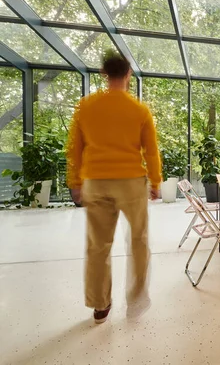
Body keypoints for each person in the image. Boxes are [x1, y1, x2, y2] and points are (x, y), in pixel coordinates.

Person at [66, 50, 161, 324]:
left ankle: (100, 305)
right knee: (139, 241)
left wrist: (75, 181)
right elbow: (151, 152)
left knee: (97, 246)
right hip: (131, 182)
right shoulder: (139, 110)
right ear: (128, 75)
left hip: (96, 181)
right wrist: (155, 181)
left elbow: (76, 149)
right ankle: (137, 299)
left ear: (103, 73)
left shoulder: (86, 107)